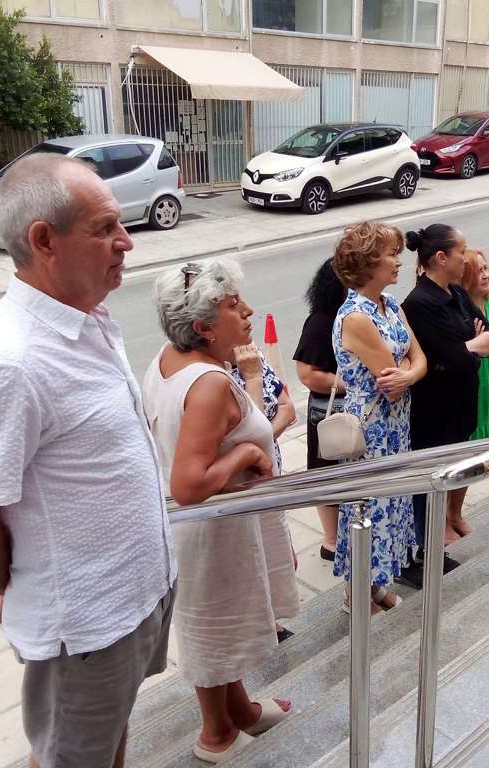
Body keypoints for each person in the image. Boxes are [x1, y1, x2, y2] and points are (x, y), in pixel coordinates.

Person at [0, 154, 177, 768]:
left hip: (135, 601)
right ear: (43, 241)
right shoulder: (10, 363)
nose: (126, 241)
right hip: (85, 627)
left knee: (108, 737)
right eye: (105, 228)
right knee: (66, 757)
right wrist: (21, 584)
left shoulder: (86, 319)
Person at [142, 259, 299, 764]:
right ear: (203, 327)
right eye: (234, 306)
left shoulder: (169, 359)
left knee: (221, 626)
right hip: (210, 532)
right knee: (210, 633)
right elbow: (188, 483)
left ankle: (242, 712)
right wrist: (247, 455)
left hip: (208, 529)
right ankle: (216, 736)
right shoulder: (208, 383)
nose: (249, 312)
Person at [332, 220, 427, 613]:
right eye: (391, 255)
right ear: (369, 263)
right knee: (369, 509)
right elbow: (393, 377)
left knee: (389, 504)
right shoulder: (356, 316)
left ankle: (373, 587)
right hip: (371, 430)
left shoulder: (391, 305)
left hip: (395, 425)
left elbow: (418, 362)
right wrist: (407, 369)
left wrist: (409, 370)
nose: (399, 262)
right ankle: (356, 596)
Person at [400, 226, 489, 589]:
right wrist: (473, 343)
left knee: (442, 482)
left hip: (459, 410)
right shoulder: (419, 303)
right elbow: (455, 359)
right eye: (461, 251)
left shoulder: (456, 292)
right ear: (441, 258)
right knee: (426, 486)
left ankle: (431, 549)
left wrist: (470, 343)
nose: (466, 257)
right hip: (434, 415)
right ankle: (418, 554)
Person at [231, 350, 298, 642]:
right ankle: (263, 626)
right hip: (242, 487)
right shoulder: (216, 375)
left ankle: (270, 620)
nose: (247, 314)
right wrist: (252, 379)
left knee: (281, 556)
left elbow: (287, 408)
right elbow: (246, 438)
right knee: (252, 560)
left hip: (271, 475)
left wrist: (263, 441)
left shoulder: (253, 356)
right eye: (234, 307)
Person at [293, 259, 347, 562]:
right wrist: (349, 385)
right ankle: (331, 540)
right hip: (325, 412)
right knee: (326, 473)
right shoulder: (321, 321)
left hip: (348, 411)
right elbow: (307, 374)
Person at [455, 247, 489, 513]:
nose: (486, 275)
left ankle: (456, 512)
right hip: (473, 390)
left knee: (476, 455)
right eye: (478, 271)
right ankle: (451, 515)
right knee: (465, 456)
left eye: (486, 268)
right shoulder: (461, 308)